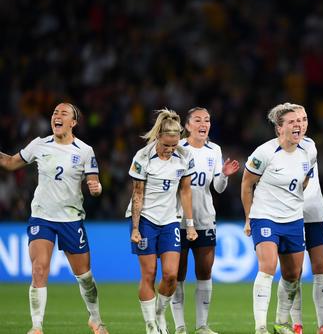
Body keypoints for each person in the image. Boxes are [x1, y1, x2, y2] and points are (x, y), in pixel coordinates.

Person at [0, 103, 108, 334]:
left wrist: (96, 188)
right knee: (39, 268)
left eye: (63, 113)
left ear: (73, 122)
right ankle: (36, 326)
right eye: (55, 113)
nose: (57, 116)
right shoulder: (39, 144)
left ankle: (96, 320)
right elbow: (9, 162)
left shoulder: (84, 150)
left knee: (85, 276)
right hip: (42, 217)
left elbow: (94, 184)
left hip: (71, 219)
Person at [241, 103, 315, 334]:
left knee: (293, 274)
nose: (299, 125)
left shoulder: (309, 150)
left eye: (301, 121)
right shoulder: (264, 153)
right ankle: (260, 327)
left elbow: (305, 179)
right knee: (268, 267)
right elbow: (246, 184)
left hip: (293, 219)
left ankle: (282, 323)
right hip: (265, 216)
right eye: (292, 122)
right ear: (279, 128)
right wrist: (248, 217)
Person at [125, 109, 198, 334]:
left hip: (170, 221)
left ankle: (159, 314)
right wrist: (136, 228)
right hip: (146, 219)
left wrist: (191, 223)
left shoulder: (184, 157)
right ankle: (150, 326)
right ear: (158, 137)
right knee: (148, 274)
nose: (170, 149)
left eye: (174, 145)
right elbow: (137, 193)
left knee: (171, 275)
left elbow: (185, 191)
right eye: (166, 145)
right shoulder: (143, 157)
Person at [169, 107, 240, 334]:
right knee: (177, 274)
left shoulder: (214, 150)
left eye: (207, 120)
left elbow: (216, 188)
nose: (203, 124)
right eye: (198, 120)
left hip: (205, 218)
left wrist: (224, 176)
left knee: (204, 272)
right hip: (178, 220)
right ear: (187, 126)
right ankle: (180, 326)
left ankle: (201, 326)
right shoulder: (178, 148)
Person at [286, 104, 323, 334]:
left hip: (316, 213)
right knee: (294, 272)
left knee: (320, 267)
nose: (301, 123)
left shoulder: (311, 145)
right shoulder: (277, 150)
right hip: (291, 215)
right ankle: (296, 323)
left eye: (304, 119)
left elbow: (314, 183)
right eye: (296, 119)